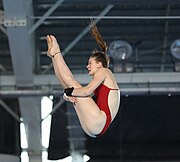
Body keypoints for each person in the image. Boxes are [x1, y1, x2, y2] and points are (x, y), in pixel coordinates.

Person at [46, 23, 120, 138]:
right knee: (71, 87)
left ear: (99, 64)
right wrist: (68, 93)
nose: (87, 66)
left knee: (74, 86)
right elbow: (82, 92)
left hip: (99, 120)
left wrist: (68, 93)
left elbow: (85, 91)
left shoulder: (104, 71)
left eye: (90, 63)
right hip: (96, 126)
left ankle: (57, 52)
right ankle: (54, 56)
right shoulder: (103, 77)